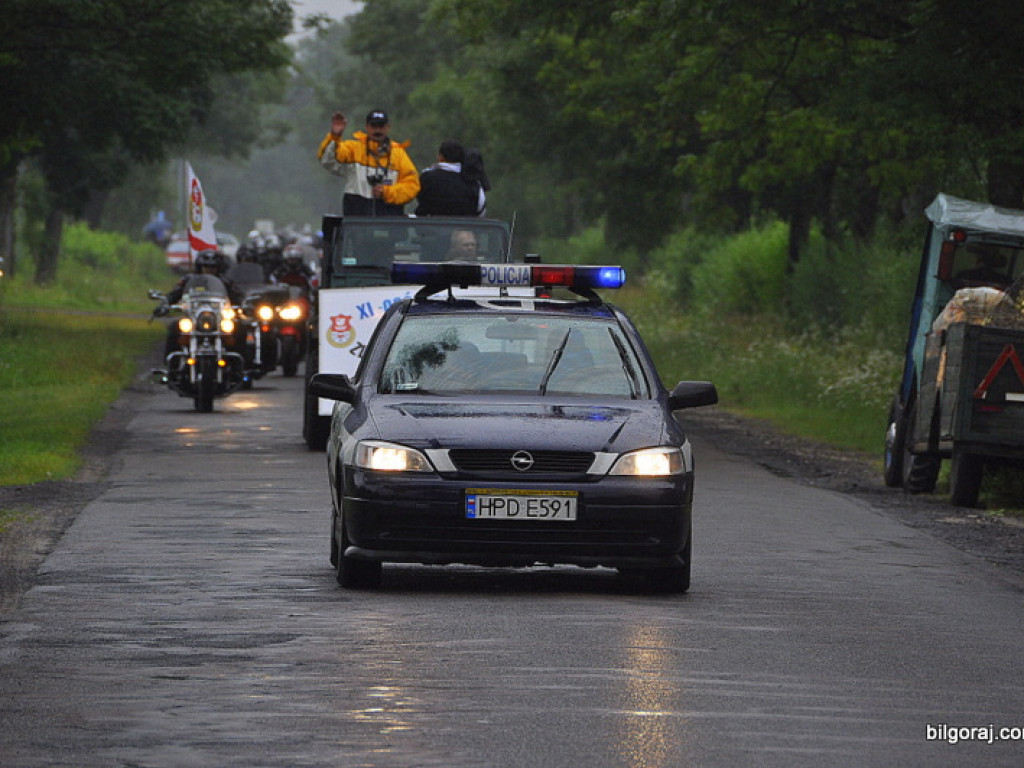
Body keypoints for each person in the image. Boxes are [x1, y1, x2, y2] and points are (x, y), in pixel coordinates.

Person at [317, 109, 420, 216]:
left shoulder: (398, 154)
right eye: (374, 126)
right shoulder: (353, 150)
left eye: (381, 126)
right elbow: (327, 159)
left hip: (388, 221)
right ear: (367, 127)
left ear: (387, 128)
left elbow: (412, 186)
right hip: (357, 219)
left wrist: (386, 192)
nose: (377, 130)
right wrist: (335, 136)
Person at [415, 140, 487, 217]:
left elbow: (419, 199)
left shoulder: (426, 177)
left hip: (429, 224)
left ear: (441, 157)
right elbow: (480, 208)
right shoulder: (473, 182)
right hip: (466, 224)